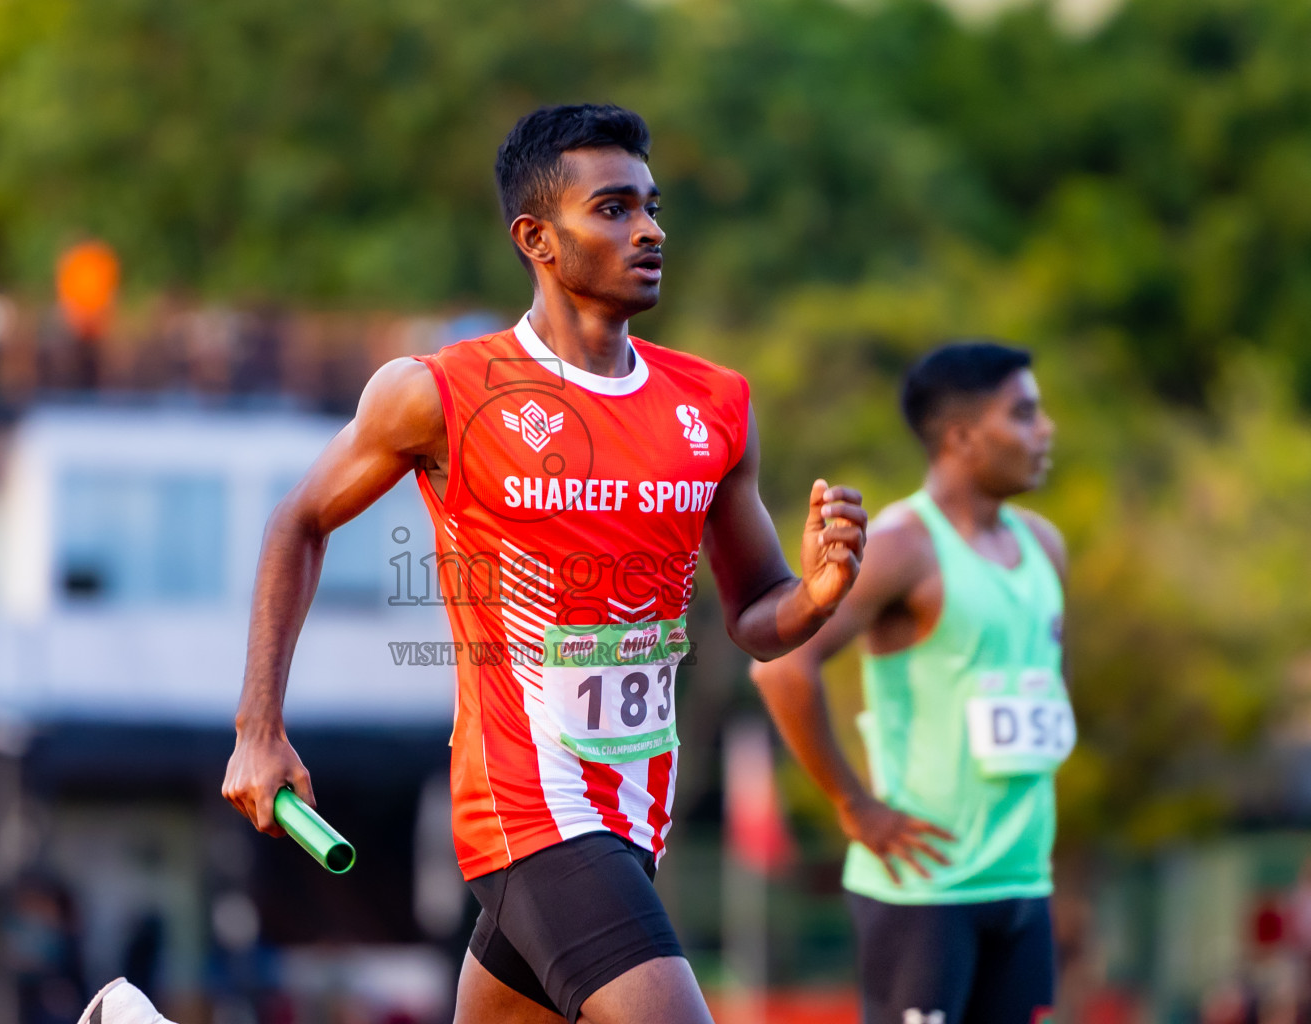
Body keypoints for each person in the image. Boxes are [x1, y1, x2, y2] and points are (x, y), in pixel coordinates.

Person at [79, 103, 867, 1024]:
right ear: (537, 239)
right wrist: (260, 727)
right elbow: (299, 521)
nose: (649, 231)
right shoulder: (442, 394)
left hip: (633, 812)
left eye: (651, 207)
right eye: (613, 209)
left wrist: (817, 595)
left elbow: (757, 613)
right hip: (526, 809)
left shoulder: (715, 404)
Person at [749, 341, 1068, 1024]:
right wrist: (854, 803)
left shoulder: (1045, 546)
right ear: (961, 437)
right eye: (1023, 414)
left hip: (1024, 883)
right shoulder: (903, 546)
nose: (1045, 431)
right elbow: (779, 666)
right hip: (924, 890)